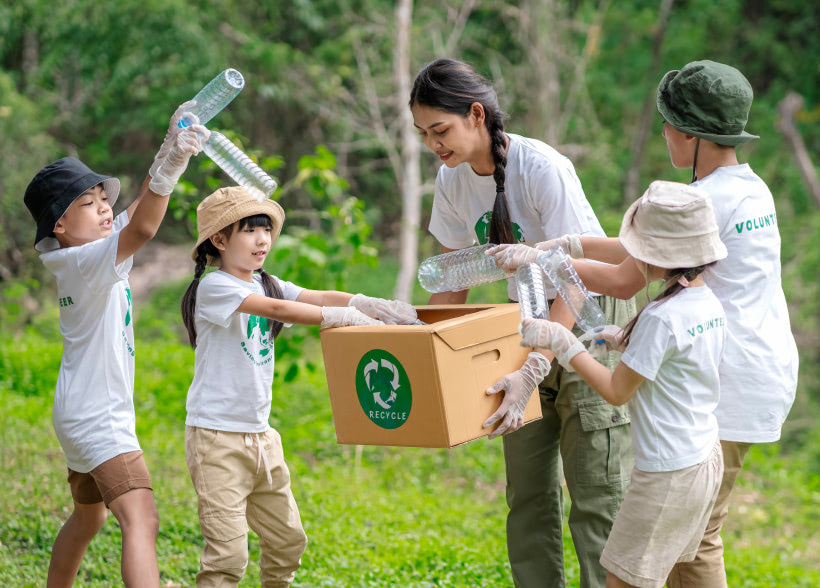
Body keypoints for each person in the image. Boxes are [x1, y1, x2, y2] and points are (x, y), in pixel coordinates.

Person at [490, 60, 799, 587]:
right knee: (689, 538)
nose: (663, 135)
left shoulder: (703, 200)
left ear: (690, 133)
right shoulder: (748, 188)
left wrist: (544, 259)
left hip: (727, 381)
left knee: (694, 539)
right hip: (760, 366)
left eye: (667, 125)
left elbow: (624, 279)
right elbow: (646, 249)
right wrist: (569, 243)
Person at [410, 57, 635, 588]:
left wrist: (536, 366)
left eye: (440, 130)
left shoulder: (541, 167)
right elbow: (453, 277)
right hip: (525, 322)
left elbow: (577, 279)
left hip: (588, 321)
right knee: (527, 491)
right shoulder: (451, 179)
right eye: (423, 134)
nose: (432, 144)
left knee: (596, 493)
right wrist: (423, 345)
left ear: (476, 115)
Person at [180, 186, 417, 587]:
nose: (263, 239)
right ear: (219, 239)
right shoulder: (216, 286)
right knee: (228, 557)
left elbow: (317, 295)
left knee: (288, 541)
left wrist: (366, 303)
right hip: (216, 438)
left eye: (266, 230)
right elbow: (278, 309)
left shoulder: (265, 281)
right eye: (250, 230)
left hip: (262, 437)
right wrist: (342, 319)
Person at [22, 102, 207, 587]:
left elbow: (137, 209)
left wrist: (168, 148)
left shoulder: (80, 254)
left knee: (90, 518)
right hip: (99, 416)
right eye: (88, 203)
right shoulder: (86, 261)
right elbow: (144, 227)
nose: (104, 207)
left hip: (77, 411)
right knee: (141, 519)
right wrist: (173, 165)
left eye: (103, 197)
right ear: (59, 225)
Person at [520, 180, 728, 588]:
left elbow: (617, 391)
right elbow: (678, 361)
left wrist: (563, 344)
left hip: (666, 475)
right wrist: (624, 339)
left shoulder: (661, 318)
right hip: (704, 458)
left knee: (621, 581)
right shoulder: (707, 303)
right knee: (676, 572)